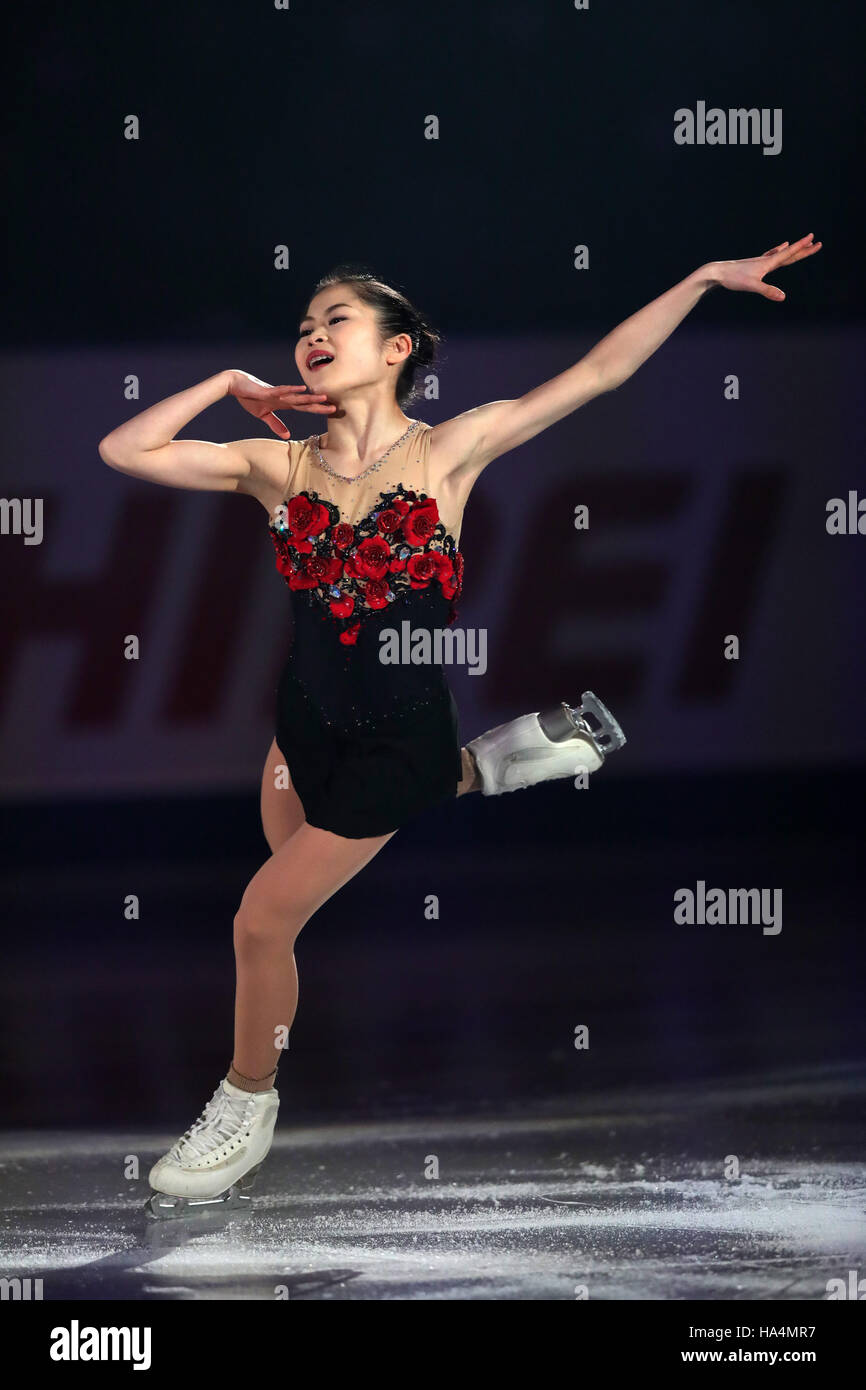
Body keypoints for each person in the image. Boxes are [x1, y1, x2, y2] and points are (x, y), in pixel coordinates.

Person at [98, 237, 821, 1217]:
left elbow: (600, 374)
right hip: (298, 731)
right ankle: (498, 763)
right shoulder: (276, 465)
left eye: (336, 321)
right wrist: (227, 380)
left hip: (396, 731)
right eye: (303, 325)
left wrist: (697, 280)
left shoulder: (449, 450)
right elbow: (123, 451)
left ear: (396, 348)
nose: (311, 335)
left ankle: (244, 1110)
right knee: (292, 902)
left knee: (262, 921)